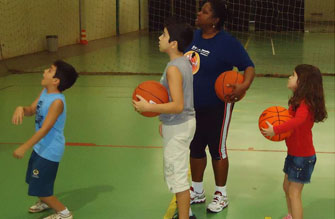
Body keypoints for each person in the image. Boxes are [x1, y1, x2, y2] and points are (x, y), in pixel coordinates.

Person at [184, 0, 255, 213]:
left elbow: (248, 67)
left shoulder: (227, 43)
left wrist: (243, 86)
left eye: (204, 12)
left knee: (217, 148)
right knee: (195, 147)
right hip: (192, 105)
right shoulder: (193, 37)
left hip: (218, 105)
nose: (199, 13)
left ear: (215, 20)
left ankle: (221, 194)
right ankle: (197, 191)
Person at [132, 18, 196, 219]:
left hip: (179, 125)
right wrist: (164, 119)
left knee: (178, 178)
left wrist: (148, 107)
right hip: (179, 124)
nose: (160, 38)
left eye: (164, 35)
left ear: (173, 43)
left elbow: (177, 105)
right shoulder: (183, 62)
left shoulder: (173, 68)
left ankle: (185, 216)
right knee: (177, 173)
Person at [12, 60, 78, 219]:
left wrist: (24, 146)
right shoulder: (45, 92)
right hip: (40, 148)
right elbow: (32, 110)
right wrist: (21, 108)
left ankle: (64, 213)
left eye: (49, 70)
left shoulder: (57, 102)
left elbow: (44, 129)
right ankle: (44, 201)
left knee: (40, 186)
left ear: (56, 81)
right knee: (35, 180)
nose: (44, 71)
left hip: (50, 150)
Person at [262, 64, 327, 219]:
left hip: (303, 157)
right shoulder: (297, 102)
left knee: (294, 192)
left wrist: (276, 130)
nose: (290, 77)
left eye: (293, 75)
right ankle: (291, 215)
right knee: (287, 187)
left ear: (302, 82)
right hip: (294, 154)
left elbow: (297, 121)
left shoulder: (305, 105)